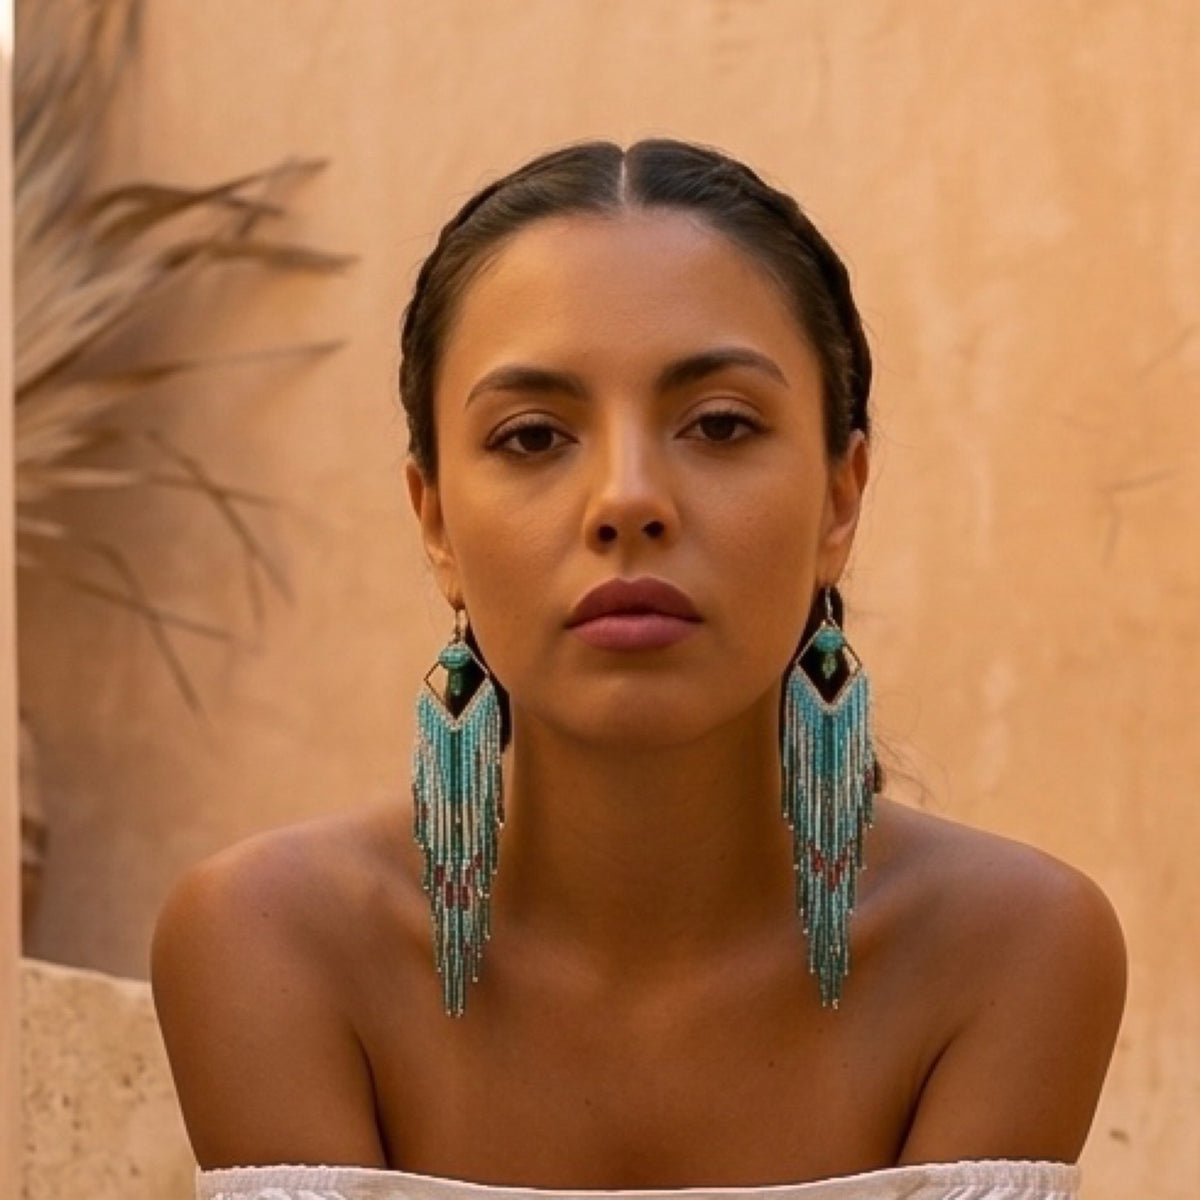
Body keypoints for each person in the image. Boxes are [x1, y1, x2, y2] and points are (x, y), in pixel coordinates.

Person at [151, 139, 1127, 1200]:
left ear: (840, 501)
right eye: (533, 438)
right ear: (435, 523)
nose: (627, 499)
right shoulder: (271, 949)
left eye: (719, 425)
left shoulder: (1012, 953)